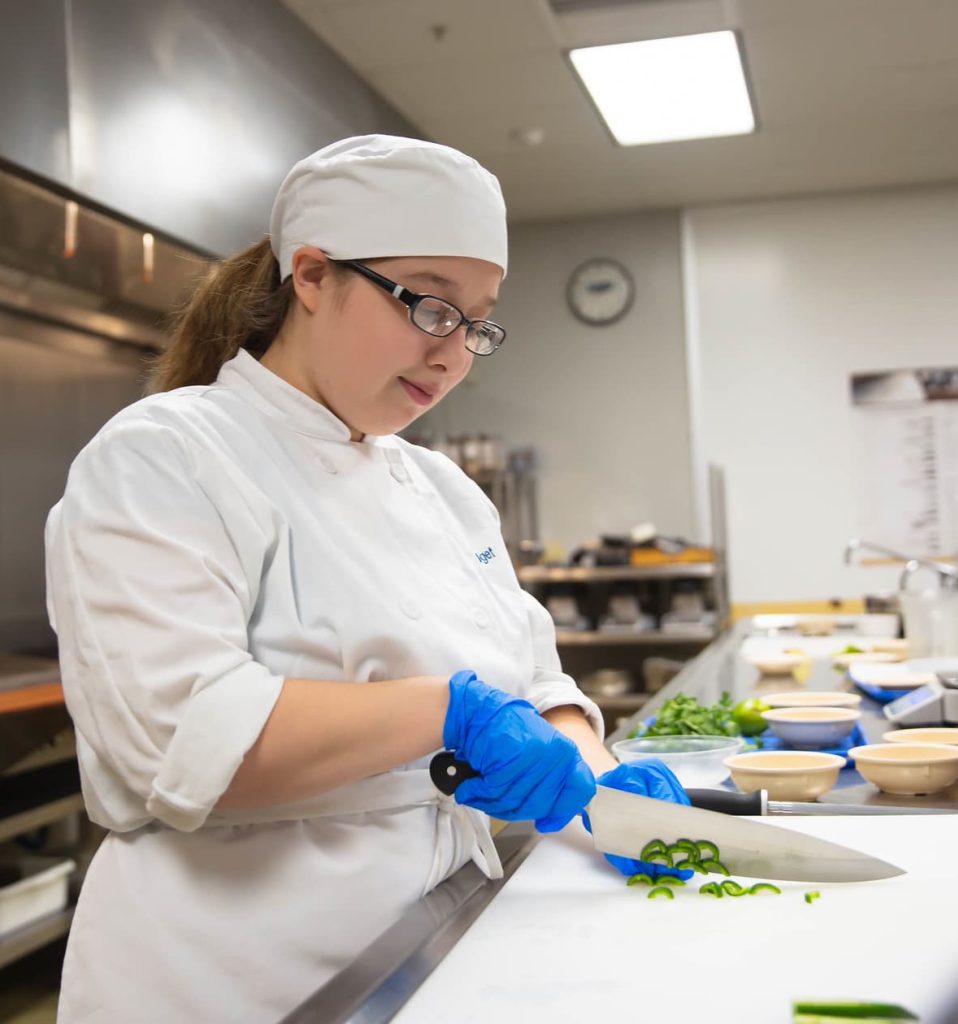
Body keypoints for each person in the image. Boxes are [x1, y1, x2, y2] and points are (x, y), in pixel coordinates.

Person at [44, 135, 690, 1022]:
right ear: (311, 275)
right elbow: (182, 741)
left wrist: (600, 781)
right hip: (231, 978)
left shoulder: (441, 489)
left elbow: (538, 681)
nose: (454, 352)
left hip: (430, 950)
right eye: (432, 306)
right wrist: (446, 715)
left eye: (478, 322)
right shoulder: (164, 455)